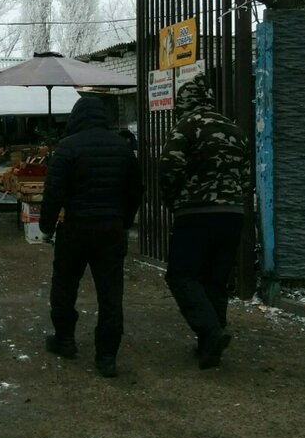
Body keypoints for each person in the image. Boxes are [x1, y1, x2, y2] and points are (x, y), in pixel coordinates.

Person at [38, 94, 142, 378]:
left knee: (64, 284)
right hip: (111, 229)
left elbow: (53, 192)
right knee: (111, 293)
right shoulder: (122, 147)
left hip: (76, 227)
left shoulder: (67, 147)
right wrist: (124, 221)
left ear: (76, 117)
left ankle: (64, 339)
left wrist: (46, 226)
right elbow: (136, 189)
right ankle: (107, 356)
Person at [158, 74, 251, 370]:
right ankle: (210, 346)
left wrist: (174, 200)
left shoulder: (186, 126)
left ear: (184, 103)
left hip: (196, 214)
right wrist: (231, 200)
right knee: (215, 279)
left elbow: (169, 167)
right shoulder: (235, 130)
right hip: (232, 215)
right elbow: (246, 178)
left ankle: (210, 333)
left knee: (182, 276)